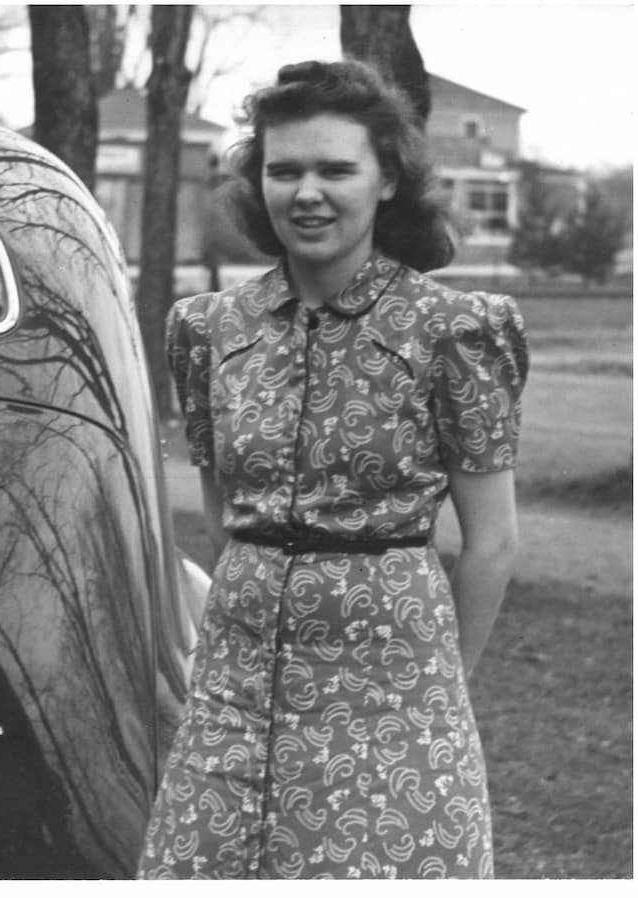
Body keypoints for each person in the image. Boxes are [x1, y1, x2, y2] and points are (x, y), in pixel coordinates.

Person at [138, 59, 529, 879]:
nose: (306, 192)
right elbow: (220, 515)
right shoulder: (210, 329)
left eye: (335, 169)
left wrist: (437, 693)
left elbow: (491, 542)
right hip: (233, 693)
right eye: (284, 170)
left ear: (387, 179)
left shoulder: (453, 329)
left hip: (393, 692)